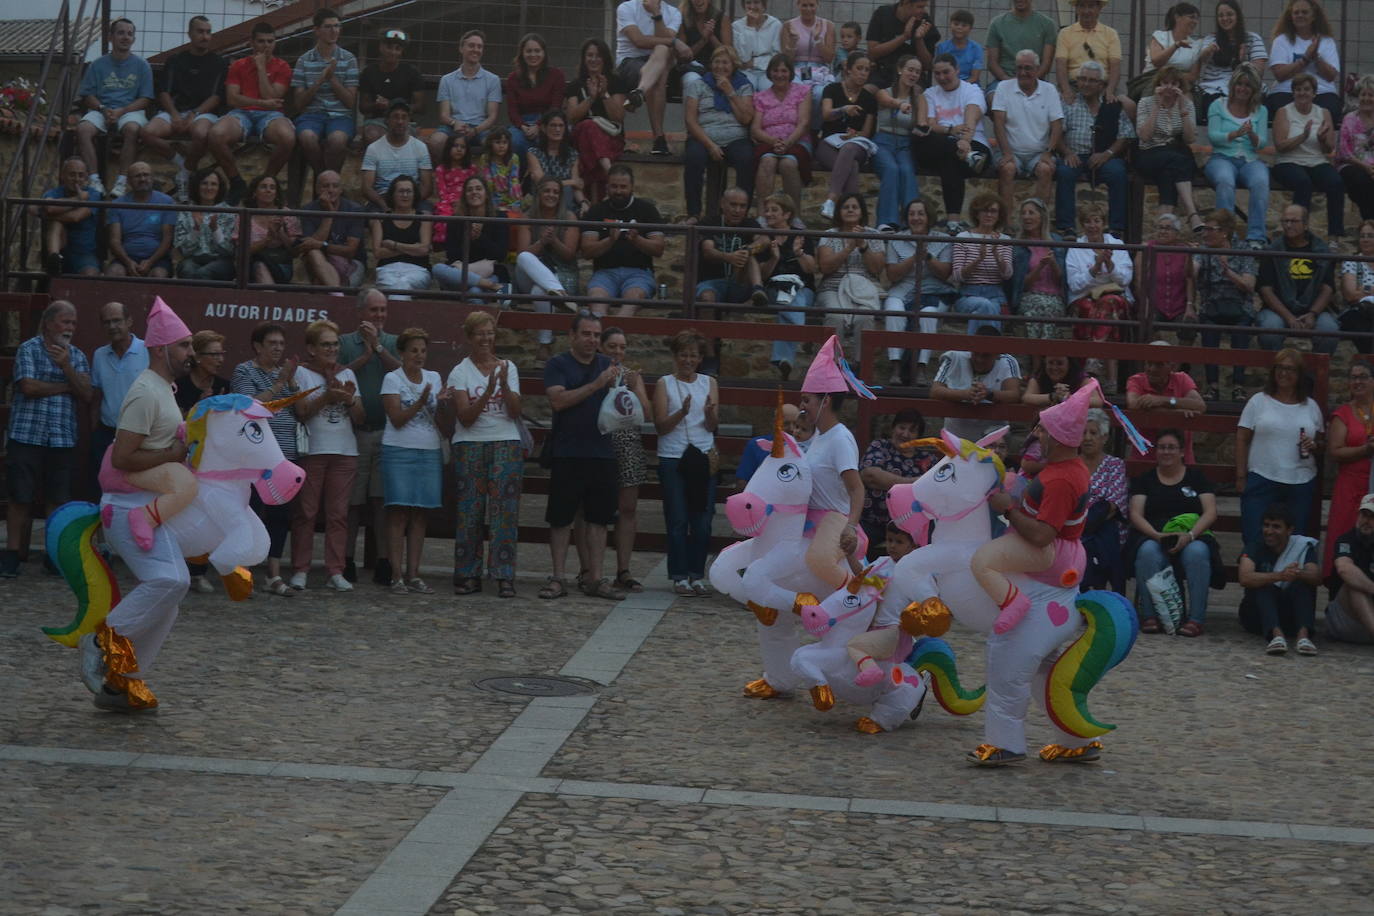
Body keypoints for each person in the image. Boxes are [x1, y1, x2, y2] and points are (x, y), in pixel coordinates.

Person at [87, 298, 195, 712]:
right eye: (183, 346)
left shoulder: (165, 390)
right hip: (126, 508)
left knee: (169, 596)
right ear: (160, 348)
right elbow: (122, 458)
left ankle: (121, 682)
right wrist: (175, 455)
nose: (190, 353)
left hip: (147, 508)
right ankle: (103, 640)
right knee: (172, 583)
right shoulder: (146, 392)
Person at [976, 378, 1095, 635]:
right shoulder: (1063, 468)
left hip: (1049, 551)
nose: (1035, 434)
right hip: (1060, 548)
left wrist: (1008, 509)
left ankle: (1014, 602)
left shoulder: (1061, 478)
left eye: (1042, 430)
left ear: (1059, 438)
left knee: (981, 561)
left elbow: (1042, 536)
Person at [0, 301, 91, 577]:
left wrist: (66, 367)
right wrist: (67, 386)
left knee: (58, 498)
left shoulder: (76, 355)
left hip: (62, 438)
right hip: (27, 435)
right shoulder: (29, 349)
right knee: (20, 497)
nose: (70, 328)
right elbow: (28, 386)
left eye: (73, 323)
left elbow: (87, 394)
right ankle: (12, 554)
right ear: (49, 323)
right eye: (65, 322)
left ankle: (53, 555)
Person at [540, 312, 624, 601]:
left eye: (596, 335)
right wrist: (597, 384)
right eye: (586, 334)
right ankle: (558, 577)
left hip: (602, 452)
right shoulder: (558, 364)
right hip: (568, 451)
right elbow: (558, 401)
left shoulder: (608, 364)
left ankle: (596, 578)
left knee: (599, 519)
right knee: (561, 519)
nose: (592, 340)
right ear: (572, 336)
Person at [444, 311, 524, 598]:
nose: (486, 338)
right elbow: (465, 416)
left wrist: (502, 385)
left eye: (490, 333)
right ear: (469, 337)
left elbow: (515, 411)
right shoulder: (460, 371)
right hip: (470, 443)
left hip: (505, 441)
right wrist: (488, 389)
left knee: (504, 512)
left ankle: (504, 574)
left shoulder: (508, 367)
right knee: (470, 511)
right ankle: (468, 573)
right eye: (480, 333)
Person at [290, 319, 363, 592]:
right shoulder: (300, 373)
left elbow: (360, 416)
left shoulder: (348, 374)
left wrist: (349, 400)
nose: (332, 349)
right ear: (311, 348)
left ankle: (335, 570)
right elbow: (302, 412)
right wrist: (326, 396)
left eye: (335, 344)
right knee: (306, 513)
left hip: (345, 451)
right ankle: (300, 569)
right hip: (313, 451)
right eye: (326, 345)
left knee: (338, 515)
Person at [1127, 427, 1218, 636]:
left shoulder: (1197, 478)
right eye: (1162, 447)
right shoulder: (1145, 480)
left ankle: (1196, 619)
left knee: (1197, 553)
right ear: (1156, 451)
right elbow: (1136, 514)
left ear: (1181, 451)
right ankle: (1150, 615)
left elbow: (1210, 512)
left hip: (1192, 534)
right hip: (1154, 535)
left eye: (1171, 447)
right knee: (1147, 552)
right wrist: (1156, 536)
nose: (1166, 452)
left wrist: (1191, 536)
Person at [231, 322, 300, 597]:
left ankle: (273, 574)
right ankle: (241, 572)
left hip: (284, 457)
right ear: (257, 346)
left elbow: (300, 410)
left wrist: (292, 383)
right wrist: (280, 383)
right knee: (250, 514)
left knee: (280, 517)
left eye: (282, 344)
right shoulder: (244, 371)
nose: (278, 349)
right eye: (272, 343)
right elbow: (249, 407)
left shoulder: (287, 375)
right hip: (254, 458)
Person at [338, 287, 402, 585]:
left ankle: (383, 562)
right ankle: (346, 559)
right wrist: (365, 355)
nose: (379, 316)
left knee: (379, 501)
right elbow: (337, 376)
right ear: (360, 312)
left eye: (384, 310)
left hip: (387, 432)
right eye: (374, 310)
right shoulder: (343, 343)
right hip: (353, 433)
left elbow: (403, 375)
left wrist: (377, 348)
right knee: (352, 503)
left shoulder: (391, 342)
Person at [798, 336, 871, 590]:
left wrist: (850, 527)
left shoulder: (840, 438)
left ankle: (861, 594)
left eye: (807, 400)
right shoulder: (819, 435)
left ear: (825, 401)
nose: (802, 406)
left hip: (834, 520)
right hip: (811, 520)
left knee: (820, 561)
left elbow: (856, 488)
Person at [653, 328, 720, 595]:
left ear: (700, 358)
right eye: (683, 355)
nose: (688, 360)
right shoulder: (664, 384)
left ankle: (696, 574)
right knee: (678, 518)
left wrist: (708, 414)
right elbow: (660, 426)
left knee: (702, 519)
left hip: (702, 457)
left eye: (693, 355)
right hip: (673, 456)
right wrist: (682, 411)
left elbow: (713, 424)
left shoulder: (709, 383)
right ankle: (679, 574)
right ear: (675, 356)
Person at [1236, 349, 1324, 549]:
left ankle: (1288, 580)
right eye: (1280, 368)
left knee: (1295, 542)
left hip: (1300, 482)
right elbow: (1241, 438)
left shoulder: (1311, 406)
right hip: (1262, 479)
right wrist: (1241, 476)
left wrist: (1315, 445)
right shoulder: (1258, 401)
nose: (1284, 373)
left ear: (1300, 374)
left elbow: (1321, 443)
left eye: (1290, 369)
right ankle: (1256, 579)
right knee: (1254, 538)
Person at [380, 327, 443, 595]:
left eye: (423, 351)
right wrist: (420, 400)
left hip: (428, 450)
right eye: (414, 350)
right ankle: (396, 575)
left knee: (420, 514)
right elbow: (397, 418)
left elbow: (439, 413)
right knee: (398, 513)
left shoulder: (435, 377)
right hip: (399, 450)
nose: (419, 356)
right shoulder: (391, 379)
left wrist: (444, 402)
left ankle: (414, 574)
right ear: (402, 353)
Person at [208, 21, 294, 205]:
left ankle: (264, 183)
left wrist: (262, 68)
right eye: (261, 41)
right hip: (241, 113)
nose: (266, 46)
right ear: (252, 43)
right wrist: (261, 103)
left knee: (287, 137)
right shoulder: (238, 65)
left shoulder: (282, 67)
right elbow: (232, 99)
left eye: (270, 41)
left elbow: (273, 98)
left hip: (272, 115)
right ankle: (236, 181)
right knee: (216, 134)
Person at [140, 16, 224, 201]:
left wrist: (194, 115)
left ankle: (185, 174)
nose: (205, 36)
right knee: (147, 132)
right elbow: (164, 92)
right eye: (200, 31)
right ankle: (182, 163)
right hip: (174, 112)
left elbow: (216, 97)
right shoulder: (176, 60)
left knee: (201, 134)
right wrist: (175, 116)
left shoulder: (219, 62)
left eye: (208, 32)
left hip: (203, 113)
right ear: (190, 34)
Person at [173, 329, 230, 594]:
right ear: (198, 357)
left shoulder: (223, 385)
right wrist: (198, 407)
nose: (219, 359)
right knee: (180, 512)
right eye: (213, 354)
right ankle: (175, 566)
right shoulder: (179, 385)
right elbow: (174, 421)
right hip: (181, 458)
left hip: (213, 460)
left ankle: (198, 571)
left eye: (222, 353)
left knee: (208, 514)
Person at [598, 326, 652, 594]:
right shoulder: (595, 373)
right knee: (594, 509)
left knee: (628, 508)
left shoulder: (631, 375)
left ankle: (623, 569)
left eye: (622, 347)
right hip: (600, 443)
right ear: (602, 348)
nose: (618, 352)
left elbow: (647, 412)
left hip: (628, 443)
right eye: (612, 347)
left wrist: (636, 386)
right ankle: (591, 570)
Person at [74, 18, 153, 199]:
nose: (125, 37)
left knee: (132, 129)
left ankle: (122, 180)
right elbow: (87, 95)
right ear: (110, 37)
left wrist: (122, 111)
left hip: (130, 110)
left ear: (133, 38)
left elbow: (145, 99)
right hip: (102, 109)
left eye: (129, 34)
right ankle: (94, 179)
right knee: (83, 129)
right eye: (120, 33)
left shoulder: (142, 66)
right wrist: (103, 109)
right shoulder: (97, 64)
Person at [1053, 60, 1132, 238]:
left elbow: (1125, 135)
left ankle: (1116, 228)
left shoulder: (1112, 105)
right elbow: (1056, 133)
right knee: (1064, 172)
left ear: (1101, 85)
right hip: (1074, 155)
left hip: (1104, 156)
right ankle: (1066, 227)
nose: (1086, 84)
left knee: (1118, 172)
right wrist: (1067, 152)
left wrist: (1107, 154)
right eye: (1082, 79)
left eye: (1091, 80)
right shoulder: (1068, 104)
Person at [580, 164, 665, 318]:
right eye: (614, 186)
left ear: (632, 187)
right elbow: (586, 251)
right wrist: (610, 240)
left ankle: (615, 338)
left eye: (623, 187)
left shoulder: (647, 210)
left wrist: (637, 240)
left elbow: (658, 249)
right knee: (596, 304)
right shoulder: (596, 211)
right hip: (604, 273)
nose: (618, 191)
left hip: (638, 273)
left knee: (631, 303)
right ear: (607, 187)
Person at [883, 196, 952, 385]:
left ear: (928, 216)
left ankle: (921, 368)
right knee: (893, 310)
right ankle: (896, 366)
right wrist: (914, 257)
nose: (916, 218)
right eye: (912, 214)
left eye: (920, 214)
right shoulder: (896, 240)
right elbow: (892, 274)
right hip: (902, 288)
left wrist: (928, 256)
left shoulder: (944, 240)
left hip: (932, 291)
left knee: (929, 314)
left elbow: (945, 273)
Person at [683, 46, 755, 224]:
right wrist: (710, 145)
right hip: (705, 137)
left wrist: (730, 92)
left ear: (733, 65)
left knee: (747, 158)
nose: (720, 66)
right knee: (693, 157)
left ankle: (741, 213)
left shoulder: (744, 85)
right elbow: (691, 121)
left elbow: (746, 119)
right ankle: (694, 213)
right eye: (716, 62)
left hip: (736, 137)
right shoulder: (698, 84)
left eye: (725, 62)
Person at [1238, 503, 1321, 656]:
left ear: (1289, 530)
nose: (1269, 531)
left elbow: (1316, 576)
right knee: (1264, 584)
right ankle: (1276, 636)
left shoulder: (1302, 546)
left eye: (1276, 527)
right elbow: (1245, 577)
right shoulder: (1255, 546)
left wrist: (1296, 573)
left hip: (1291, 618)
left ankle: (1304, 637)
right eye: (1266, 525)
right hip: (1257, 618)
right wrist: (1280, 575)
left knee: (1302, 584)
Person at [914, 53, 990, 218]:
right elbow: (931, 125)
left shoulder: (972, 90)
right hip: (949, 145)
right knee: (925, 139)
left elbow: (971, 119)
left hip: (973, 144)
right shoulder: (930, 94)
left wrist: (964, 142)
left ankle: (953, 220)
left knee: (949, 160)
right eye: (937, 73)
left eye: (946, 72)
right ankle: (953, 220)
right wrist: (951, 132)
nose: (941, 77)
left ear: (956, 70)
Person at [1066, 202, 1133, 385]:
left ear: (1103, 223)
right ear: (1083, 225)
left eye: (1096, 221)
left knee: (1109, 302)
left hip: (1115, 296)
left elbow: (1125, 279)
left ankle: (1091, 365)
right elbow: (1074, 284)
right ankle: (1110, 380)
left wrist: (1110, 266)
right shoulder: (1075, 249)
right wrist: (1095, 268)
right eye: (1087, 222)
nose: (1092, 226)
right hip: (1084, 297)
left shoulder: (1117, 245)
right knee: (1094, 309)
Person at [515, 176, 579, 366]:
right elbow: (522, 254)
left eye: (556, 192)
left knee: (539, 291)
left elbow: (569, 255)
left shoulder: (569, 218)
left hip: (562, 272)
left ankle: (544, 346)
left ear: (560, 197)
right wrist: (542, 242)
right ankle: (560, 295)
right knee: (524, 257)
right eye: (547, 191)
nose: (551, 195)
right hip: (528, 274)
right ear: (538, 194)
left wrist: (554, 241)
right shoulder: (528, 217)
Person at [1257, 204, 1338, 355]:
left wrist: (1313, 313)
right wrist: (1288, 317)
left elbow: (1328, 288)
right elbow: (1265, 289)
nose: (1288, 225)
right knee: (1270, 331)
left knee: (1329, 331)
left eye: (1294, 221)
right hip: (1278, 310)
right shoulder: (1272, 250)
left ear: (1306, 224)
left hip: (1314, 309)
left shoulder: (1322, 250)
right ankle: (1277, 372)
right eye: (1285, 221)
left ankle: (1316, 376)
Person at [1192, 209, 1256, 400]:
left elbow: (1249, 285)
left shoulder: (1243, 251)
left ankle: (1238, 385)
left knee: (1241, 332)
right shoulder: (1204, 250)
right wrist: (1190, 259)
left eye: (1210, 229)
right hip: (1211, 305)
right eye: (1204, 229)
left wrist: (1229, 273)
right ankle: (1212, 386)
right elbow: (1191, 273)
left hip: (1239, 306)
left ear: (1224, 232)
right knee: (1209, 331)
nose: (1205, 233)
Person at [1273, 74, 1343, 241]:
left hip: (1316, 160)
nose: (1302, 93)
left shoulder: (1323, 112)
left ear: (1314, 93)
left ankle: (1335, 236)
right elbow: (1280, 146)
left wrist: (1321, 139)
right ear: (1293, 92)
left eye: (1306, 89)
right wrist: (1303, 136)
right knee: (1303, 183)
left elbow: (1329, 148)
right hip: (1288, 161)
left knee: (1336, 182)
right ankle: (1298, 234)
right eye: (1298, 90)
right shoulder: (1284, 112)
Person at [990, 50, 1061, 218]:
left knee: (1046, 169)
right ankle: (1006, 225)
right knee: (1007, 169)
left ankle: (1038, 224)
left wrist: (1048, 152)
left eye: (1028, 68)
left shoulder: (1049, 90)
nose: (1023, 73)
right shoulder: (1003, 87)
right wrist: (1006, 152)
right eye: (1019, 68)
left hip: (1038, 152)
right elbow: (998, 123)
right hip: (1010, 150)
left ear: (1037, 70)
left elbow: (1057, 125)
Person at [616, 0, 691, 157]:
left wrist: (657, 14)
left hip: (659, 62)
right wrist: (674, 41)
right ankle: (659, 139)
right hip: (630, 62)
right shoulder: (626, 8)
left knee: (662, 50)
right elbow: (639, 41)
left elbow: (664, 44)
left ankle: (639, 92)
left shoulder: (673, 13)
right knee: (659, 72)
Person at [289, 7, 358, 177]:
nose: (334, 30)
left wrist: (332, 79)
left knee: (337, 140)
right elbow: (298, 104)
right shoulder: (304, 61)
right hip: (311, 115)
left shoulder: (349, 59)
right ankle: (324, 179)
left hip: (340, 116)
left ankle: (328, 182)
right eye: (328, 26)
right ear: (317, 30)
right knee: (306, 137)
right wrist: (319, 81)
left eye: (337, 26)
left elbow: (350, 102)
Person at [1204, 68, 1270, 244]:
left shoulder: (1261, 110)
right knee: (1225, 181)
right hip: (1221, 157)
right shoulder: (1217, 105)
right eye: (1239, 84)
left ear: (1254, 89)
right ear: (1233, 86)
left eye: (1248, 85)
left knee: (1261, 182)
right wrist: (1235, 133)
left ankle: (1256, 238)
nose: (1243, 88)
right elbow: (1213, 136)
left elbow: (1262, 143)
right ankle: (1225, 237)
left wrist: (1251, 135)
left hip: (1250, 159)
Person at [858, 408, 936, 558]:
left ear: (918, 436)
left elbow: (933, 489)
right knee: (856, 546)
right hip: (873, 521)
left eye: (912, 431)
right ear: (893, 428)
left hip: (910, 528)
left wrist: (887, 481)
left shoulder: (928, 459)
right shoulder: (880, 446)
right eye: (901, 427)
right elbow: (870, 476)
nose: (905, 434)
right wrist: (913, 483)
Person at [815, 192, 884, 355]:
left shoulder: (873, 235)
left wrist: (863, 246)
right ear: (839, 211)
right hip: (832, 287)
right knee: (835, 317)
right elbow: (825, 267)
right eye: (846, 207)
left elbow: (877, 269)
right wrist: (848, 248)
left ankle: (861, 369)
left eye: (855, 207)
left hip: (864, 288)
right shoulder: (829, 235)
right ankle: (832, 367)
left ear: (861, 212)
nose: (850, 210)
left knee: (865, 318)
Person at [757, 192, 817, 379]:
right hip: (774, 287)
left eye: (774, 210)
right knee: (785, 299)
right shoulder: (764, 239)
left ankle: (784, 360)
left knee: (792, 301)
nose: (768, 214)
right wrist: (774, 258)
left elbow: (811, 269)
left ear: (787, 214)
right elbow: (762, 275)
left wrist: (799, 254)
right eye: (766, 210)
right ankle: (804, 334)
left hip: (801, 288)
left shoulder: (801, 237)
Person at [90, 301, 147, 493]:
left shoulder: (147, 350)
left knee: (135, 488)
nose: (112, 326)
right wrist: (94, 432)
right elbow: (96, 395)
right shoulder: (99, 355)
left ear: (129, 321)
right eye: (107, 322)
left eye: (117, 320)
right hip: (106, 433)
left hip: (139, 435)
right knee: (105, 490)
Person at [1322, 361, 1374, 576]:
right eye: (1353, 377)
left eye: (1362, 376)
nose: (1357, 381)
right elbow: (1334, 452)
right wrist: (1365, 449)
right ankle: (1338, 586)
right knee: (1344, 533)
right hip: (1350, 484)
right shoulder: (1343, 413)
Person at [1134, 67, 1201, 229]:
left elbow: (1190, 138)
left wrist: (1183, 110)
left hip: (1174, 155)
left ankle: (1163, 226)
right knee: (1180, 161)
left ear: (1180, 86)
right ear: (1158, 84)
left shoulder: (1187, 104)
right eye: (1165, 83)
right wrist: (1157, 106)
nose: (1169, 87)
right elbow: (1144, 136)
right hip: (1150, 152)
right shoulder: (1145, 103)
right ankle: (1192, 213)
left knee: (1169, 173)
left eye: (1174, 83)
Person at [564, 38, 628, 203]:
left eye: (598, 55)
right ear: (584, 59)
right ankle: (611, 173)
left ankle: (592, 204)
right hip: (580, 137)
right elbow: (572, 117)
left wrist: (605, 94)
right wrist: (591, 99)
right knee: (587, 126)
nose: (594, 59)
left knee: (590, 140)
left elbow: (618, 117)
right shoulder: (575, 85)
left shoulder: (616, 82)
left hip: (610, 138)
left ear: (605, 58)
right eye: (590, 55)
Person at [930, 327, 1022, 441]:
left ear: (998, 354)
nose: (979, 359)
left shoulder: (1008, 362)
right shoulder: (953, 357)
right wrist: (965, 394)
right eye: (976, 353)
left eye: (986, 355)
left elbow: (1014, 395)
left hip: (992, 440)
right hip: (955, 438)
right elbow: (935, 390)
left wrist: (989, 393)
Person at [815, 52, 877, 219]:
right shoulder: (832, 89)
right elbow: (826, 114)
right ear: (848, 69)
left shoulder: (869, 98)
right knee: (852, 166)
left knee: (849, 149)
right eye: (859, 68)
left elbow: (867, 132)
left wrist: (853, 135)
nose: (863, 73)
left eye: (866, 70)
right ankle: (854, 219)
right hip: (830, 142)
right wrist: (843, 109)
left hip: (856, 143)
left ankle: (831, 200)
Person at [428, 29, 503, 166]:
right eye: (471, 45)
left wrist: (475, 130)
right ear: (461, 48)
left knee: (494, 145)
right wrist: (454, 123)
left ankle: (486, 183)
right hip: (453, 126)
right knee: (435, 141)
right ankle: (445, 174)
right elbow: (444, 115)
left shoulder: (493, 80)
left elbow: (492, 117)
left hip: (481, 128)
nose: (476, 50)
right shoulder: (447, 80)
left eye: (479, 46)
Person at [749, 53, 812, 215]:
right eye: (775, 70)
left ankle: (794, 215)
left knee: (788, 164)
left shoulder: (803, 91)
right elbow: (755, 129)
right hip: (768, 143)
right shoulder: (761, 97)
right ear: (769, 73)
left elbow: (804, 123)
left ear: (791, 73)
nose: (779, 75)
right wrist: (773, 142)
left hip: (797, 141)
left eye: (784, 71)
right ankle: (763, 214)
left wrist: (788, 143)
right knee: (767, 162)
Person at [1125, 340, 1206, 461]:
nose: (1152, 369)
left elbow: (1200, 406)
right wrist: (1178, 412)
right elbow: (1133, 404)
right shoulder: (1136, 380)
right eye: (1149, 363)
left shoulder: (1182, 379)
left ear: (1172, 366)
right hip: (1145, 460)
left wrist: (1162, 400)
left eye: (1159, 364)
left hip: (1181, 463)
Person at [432, 176, 509, 299]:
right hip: (460, 275)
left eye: (478, 189)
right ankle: (488, 285)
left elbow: (501, 255)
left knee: (475, 292)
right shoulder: (455, 220)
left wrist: (480, 238)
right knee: (437, 268)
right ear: (465, 196)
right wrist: (468, 238)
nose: (474, 192)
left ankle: (482, 285)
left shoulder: (499, 217)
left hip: (489, 272)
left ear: (486, 194)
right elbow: (452, 256)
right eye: (470, 190)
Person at [1266, 0, 1341, 125]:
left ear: (1313, 16)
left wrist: (1316, 58)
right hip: (1287, 91)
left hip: (1321, 92)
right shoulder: (1281, 40)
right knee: (1276, 106)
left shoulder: (1327, 41)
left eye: (1305, 12)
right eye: (1296, 12)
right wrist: (1305, 59)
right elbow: (1279, 74)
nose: (1300, 15)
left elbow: (1331, 76)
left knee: (1332, 108)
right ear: (1291, 16)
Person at [872, 56, 925, 229]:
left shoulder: (919, 97)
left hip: (905, 143)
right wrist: (900, 104)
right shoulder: (885, 91)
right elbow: (885, 101)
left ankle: (912, 222)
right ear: (900, 69)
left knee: (907, 170)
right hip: (883, 140)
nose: (914, 74)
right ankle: (886, 222)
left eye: (917, 72)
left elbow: (921, 124)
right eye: (910, 69)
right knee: (891, 169)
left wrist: (917, 102)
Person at [1080, 407, 1127, 592]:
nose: (1088, 438)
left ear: (1105, 438)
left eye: (1094, 433)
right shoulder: (1071, 464)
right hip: (1075, 527)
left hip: (1102, 526)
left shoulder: (1115, 465)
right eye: (1083, 433)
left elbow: (1113, 506)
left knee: (1097, 541)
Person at [951, 192, 1013, 332]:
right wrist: (978, 259)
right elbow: (957, 276)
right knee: (986, 306)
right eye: (985, 210)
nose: (989, 215)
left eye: (993, 211)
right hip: (968, 294)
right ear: (976, 213)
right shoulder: (963, 237)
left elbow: (1007, 275)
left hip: (996, 295)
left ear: (999, 215)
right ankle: (992, 352)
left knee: (980, 313)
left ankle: (973, 352)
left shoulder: (1005, 240)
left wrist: (996, 254)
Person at [1009, 197, 1067, 346]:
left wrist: (1053, 263)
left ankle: (1041, 358)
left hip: (1054, 297)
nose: (1026, 217)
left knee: (1048, 310)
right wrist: (1040, 266)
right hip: (1030, 296)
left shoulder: (1056, 241)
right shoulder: (1018, 245)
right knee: (1036, 310)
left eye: (1031, 213)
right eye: (1024, 213)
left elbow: (1062, 279)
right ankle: (1039, 359)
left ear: (1042, 216)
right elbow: (1022, 285)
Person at [1196, 1, 1267, 117]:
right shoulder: (1211, 39)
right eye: (1221, 15)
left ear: (1237, 16)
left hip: (1246, 86)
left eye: (1229, 14)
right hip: (1214, 89)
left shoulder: (1253, 38)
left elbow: (1259, 72)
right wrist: (1208, 51)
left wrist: (1244, 61)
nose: (1225, 18)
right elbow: (1202, 59)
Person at [360, 100, 434, 211]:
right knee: (374, 217)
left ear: (409, 121)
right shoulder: (374, 148)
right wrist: (383, 205)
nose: (400, 121)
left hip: (411, 197)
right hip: (383, 198)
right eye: (395, 117)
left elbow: (427, 187)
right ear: (387, 120)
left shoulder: (420, 147)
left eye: (404, 117)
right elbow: (366, 188)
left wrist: (409, 204)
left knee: (426, 214)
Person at [697, 187, 765, 307]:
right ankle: (706, 326)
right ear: (722, 204)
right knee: (707, 298)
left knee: (747, 252)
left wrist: (748, 250)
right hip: (712, 281)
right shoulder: (710, 222)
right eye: (733, 205)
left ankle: (758, 289)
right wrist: (729, 257)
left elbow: (764, 240)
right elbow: (708, 251)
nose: (737, 210)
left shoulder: (750, 223)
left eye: (742, 206)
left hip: (740, 281)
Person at [297, 170, 366, 289]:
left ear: (341, 190)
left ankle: (334, 294)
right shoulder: (308, 210)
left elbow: (350, 251)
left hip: (352, 262)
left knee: (321, 282)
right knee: (313, 253)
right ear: (317, 189)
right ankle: (336, 294)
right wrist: (329, 215)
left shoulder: (355, 210)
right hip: (320, 261)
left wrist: (321, 245)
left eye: (335, 186)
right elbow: (308, 247)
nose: (331, 190)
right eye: (326, 186)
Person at [105, 161, 174, 279]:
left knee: (158, 275)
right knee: (114, 273)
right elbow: (114, 240)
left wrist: (150, 262)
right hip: (125, 258)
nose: (142, 179)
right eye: (137, 176)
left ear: (152, 178)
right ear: (129, 181)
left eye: (146, 175)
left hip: (158, 260)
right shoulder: (117, 204)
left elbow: (167, 239)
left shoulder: (167, 202)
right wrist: (128, 262)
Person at [357, 28, 424, 145]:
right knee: (372, 134)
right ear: (381, 47)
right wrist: (376, 105)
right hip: (377, 120)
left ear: (402, 51)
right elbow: (363, 107)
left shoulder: (412, 72)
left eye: (397, 48)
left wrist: (395, 106)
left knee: (404, 136)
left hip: (404, 120)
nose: (393, 52)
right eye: (389, 47)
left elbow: (421, 106)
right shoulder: (369, 72)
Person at [505, 33, 566, 158]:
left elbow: (556, 106)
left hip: (548, 122)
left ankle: (546, 176)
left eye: (537, 51)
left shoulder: (556, 75)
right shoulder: (512, 79)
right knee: (515, 141)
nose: (533, 55)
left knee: (550, 140)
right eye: (529, 51)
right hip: (522, 124)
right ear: (522, 53)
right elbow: (512, 111)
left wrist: (539, 126)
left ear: (544, 53)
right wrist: (523, 127)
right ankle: (524, 176)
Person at [37, 157, 101, 277]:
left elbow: (76, 217)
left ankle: (54, 262)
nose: (76, 179)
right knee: (57, 223)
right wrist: (78, 199)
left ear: (86, 177)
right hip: (61, 250)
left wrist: (47, 215)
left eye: (80, 175)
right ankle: (54, 259)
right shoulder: (54, 192)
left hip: (83, 253)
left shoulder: (93, 194)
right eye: (72, 175)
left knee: (90, 274)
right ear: (63, 176)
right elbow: (50, 208)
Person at [371, 175, 433, 296]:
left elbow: (424, 250)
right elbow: (378, 253)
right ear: (393, 195)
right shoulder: (381, 219)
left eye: (409, 191)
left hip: (418, 270)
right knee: (398, 286)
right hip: (387, 270)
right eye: (401, 191)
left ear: (414, 194)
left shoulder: (424, 218)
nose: (405, 195)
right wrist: (413, 248)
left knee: (401, 285)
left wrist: (394, 245)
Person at [1054, 0, 1123, 105]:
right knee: (1057, 104)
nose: (1086, 11)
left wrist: (1110, 90)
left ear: (1099, 8)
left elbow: (1115, 66)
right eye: (1082, 6)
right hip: (1074, 85)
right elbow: (1060, 65)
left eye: (1091, 6)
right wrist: (1066, 90)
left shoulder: (1111, 34)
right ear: (1076, 9)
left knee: (1128, 105)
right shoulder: (1065, 33)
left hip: (1102, 86)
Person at [1326, 494, 1374, 645]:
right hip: (1344, 619)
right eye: (1364, 515)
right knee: (1352, 584)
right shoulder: (1346, 540)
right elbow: (1344, 570)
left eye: (1372, 517)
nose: (1367, 521)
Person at [173, 167, 236, 281]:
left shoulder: (229, 212)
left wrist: (215, 229)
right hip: (193, 259)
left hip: (220, 261)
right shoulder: (186, 212)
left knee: (204, 273)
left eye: (213, 184)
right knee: (187, 270)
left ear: (219, 188)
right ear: (197, 186)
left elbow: (229, 251)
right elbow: (183, 250)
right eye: (204, 183)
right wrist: (196, 230)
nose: (209, 188)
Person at [238, 174, 300, 285]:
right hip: (250, 267)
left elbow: (295, 252)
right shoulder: (245, 215)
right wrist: (267, 239)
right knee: (258, 262)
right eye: (263, 187)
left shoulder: (287, 214)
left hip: (281, 266)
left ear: (276, 193)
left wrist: (280, 232)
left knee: (260, 264)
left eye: (272, 187)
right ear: (254, 192)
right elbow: (241, 251)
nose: (268, 190)